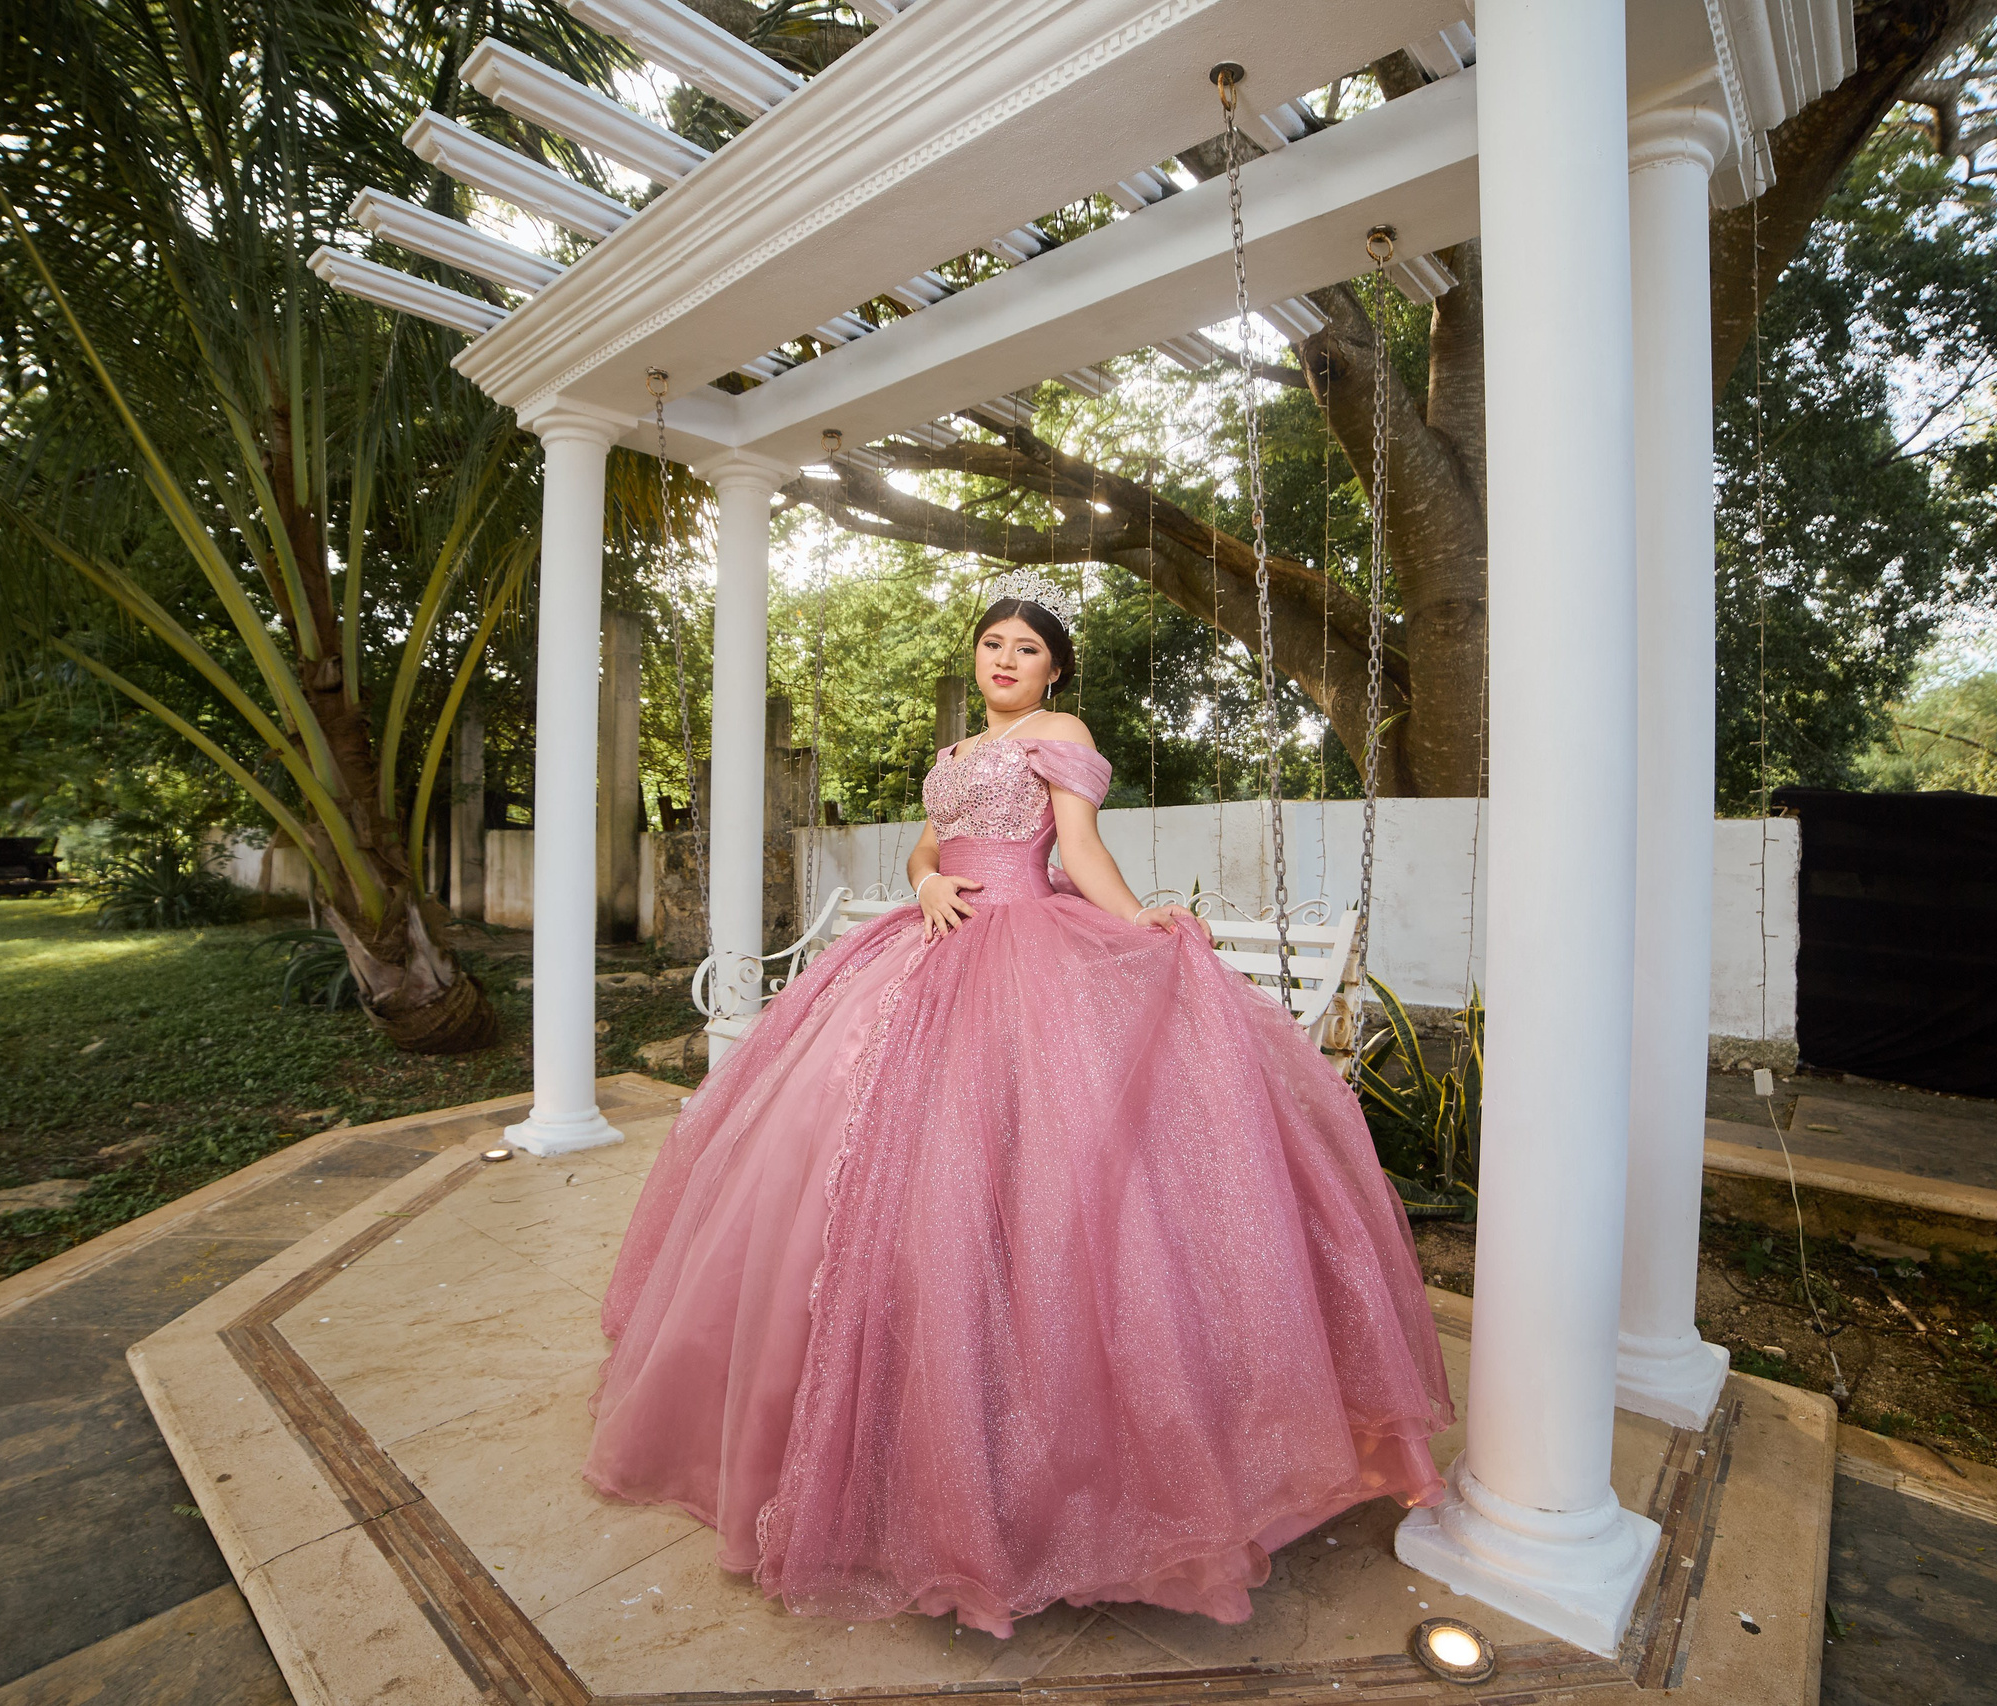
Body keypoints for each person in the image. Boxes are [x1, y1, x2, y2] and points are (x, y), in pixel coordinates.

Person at [584, 576, 1453, 1638]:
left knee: (1032, 1174)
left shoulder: (1059, 734)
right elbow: (926, 842)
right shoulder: (952, 756)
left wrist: (1141, 920)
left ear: (1053, 667)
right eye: (992, 643)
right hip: (928, 946)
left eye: (1026, 648)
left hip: (1024, 955)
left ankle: (1030, 1439)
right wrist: (923, 883)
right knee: (842, 1165)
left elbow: (1076, 849)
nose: (1005, 658)